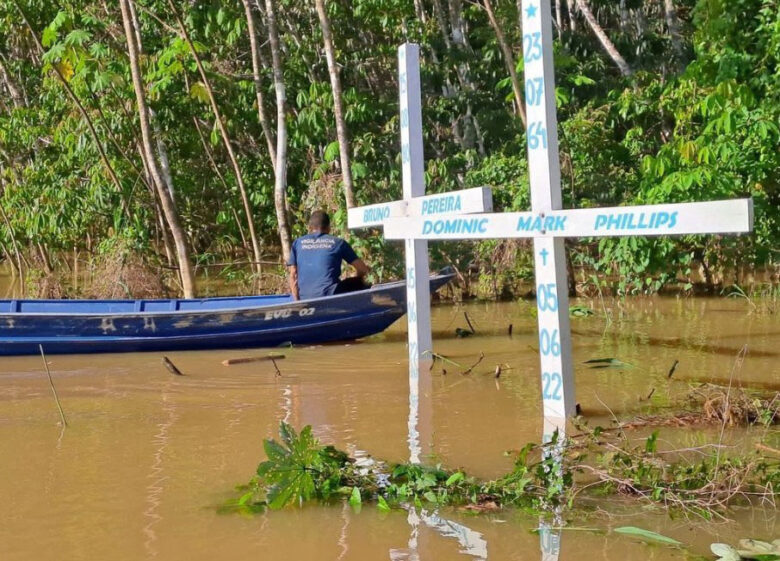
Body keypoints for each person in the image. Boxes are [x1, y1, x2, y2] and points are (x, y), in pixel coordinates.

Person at [287, 210, 370, 300]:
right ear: (329, 227)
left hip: (304, 297)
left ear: (309, 228)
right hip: (330, 296)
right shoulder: (338, 243)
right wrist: (357, 276)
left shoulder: (298, 243)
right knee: (358, 282)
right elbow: (363, 269)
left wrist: (297, 301)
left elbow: (293, 275)